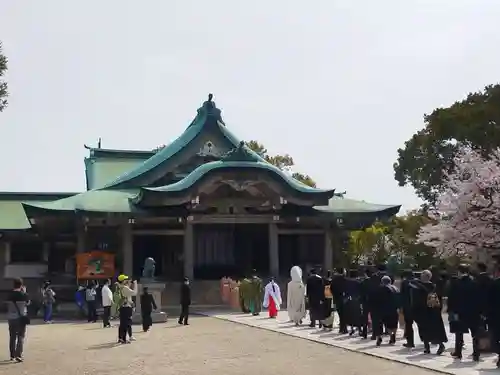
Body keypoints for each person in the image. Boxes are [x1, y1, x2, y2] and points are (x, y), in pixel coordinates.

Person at [447, 264, 481, 361]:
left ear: (459, 271)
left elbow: (452, 298)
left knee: (459, 333)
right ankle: (476, 353)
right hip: (473, 312)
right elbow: (480, 298)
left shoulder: (456, 283)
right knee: (474, 333)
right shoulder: (475, 282)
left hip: (459, 311)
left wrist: (451, 310)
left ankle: (458, 352)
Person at [411, 269, 447, 355]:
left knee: (424, 329)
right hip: (433, 311)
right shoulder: (434, 287)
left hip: (423, 311)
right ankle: (439, 345)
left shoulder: (417, 287)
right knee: (434, 329)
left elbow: (416, 301)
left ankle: (427, 348)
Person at [7, 278, 30, 362]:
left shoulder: (9, 295)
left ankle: (12, 355)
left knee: (12, 336)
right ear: (21, 285)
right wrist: (24, 292)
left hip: (11, 317)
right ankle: (18, 355)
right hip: (21, 317)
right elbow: (28, 303)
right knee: (21, 336)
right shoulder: (24, 295)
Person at [374, 276, 399, 346]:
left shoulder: (381, 288)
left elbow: (377, 300)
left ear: (382, 282)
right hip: (394, 309)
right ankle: (392, 335)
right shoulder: (396, 288)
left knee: (380, 324)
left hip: (383, 309)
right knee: (393, 325)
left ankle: (379, 338)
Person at [116, 274, 137, 344]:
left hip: (122, 307)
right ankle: (124, 339)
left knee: (122, 324)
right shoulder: (124, 288)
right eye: (125, 279)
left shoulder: (119, 287)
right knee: (125, 323)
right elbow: (134, 293)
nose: (127, 280)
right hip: (126, 308)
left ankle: (121, 338)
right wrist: (135, 284)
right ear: (123, 281)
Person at [400, 270, 416, 348]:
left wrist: (401, 307)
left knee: (409, 325)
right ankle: (426, 343)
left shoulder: (404, 283)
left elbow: (402, 296)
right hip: (418, 307)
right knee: (422, 325)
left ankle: (410, 342)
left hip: (408, 307)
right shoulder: (417, 282)